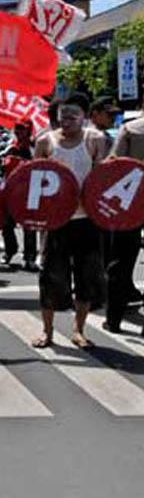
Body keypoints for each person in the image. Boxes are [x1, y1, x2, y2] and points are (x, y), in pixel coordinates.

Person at [31, 93, 109, 348]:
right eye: (62, 115)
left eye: (73, 114)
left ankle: (79, 329)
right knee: (51, 277)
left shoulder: (95, 139)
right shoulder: (45, 142)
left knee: (86, 277)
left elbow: (104, 179)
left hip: (86, 220)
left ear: (84, 116)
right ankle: (48, 331)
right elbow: (33, 182)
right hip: (56, 222)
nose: (67, 120)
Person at [103, 102, 144, 333]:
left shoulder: (130, 129)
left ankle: (114, 319)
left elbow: (113, 164)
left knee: (120, 263)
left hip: (130, 202)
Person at [0, 119, 39, 271]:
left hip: (30, 193)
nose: (19, 132)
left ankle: (30, 258)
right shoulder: (9, 148)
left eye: (22, 129)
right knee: (6, 225)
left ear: (29, 131)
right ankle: (10, 251)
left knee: (30, 227)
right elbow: (1, 168)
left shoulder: (34, 148)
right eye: (17, 129)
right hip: (11, 193)